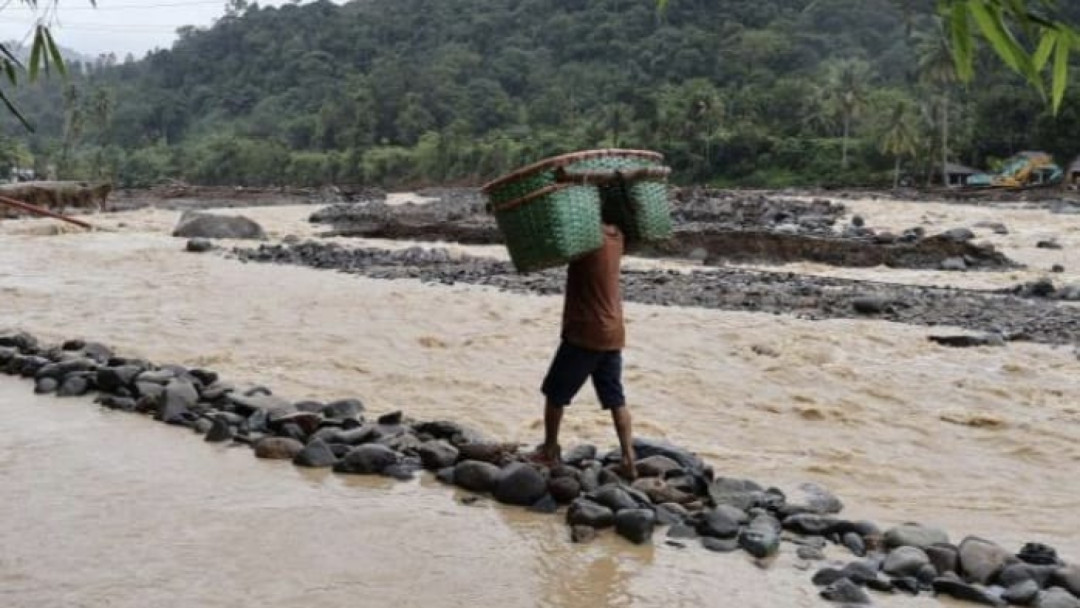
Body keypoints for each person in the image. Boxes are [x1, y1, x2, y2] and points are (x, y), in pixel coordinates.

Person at [532, 221, 635, 478]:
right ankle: (629, 457)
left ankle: (549, 449)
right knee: (615, 398)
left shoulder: (584, 239)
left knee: (555, 393)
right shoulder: (617, 236)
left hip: (585, 331)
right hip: (613, 331)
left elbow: (550, 248)